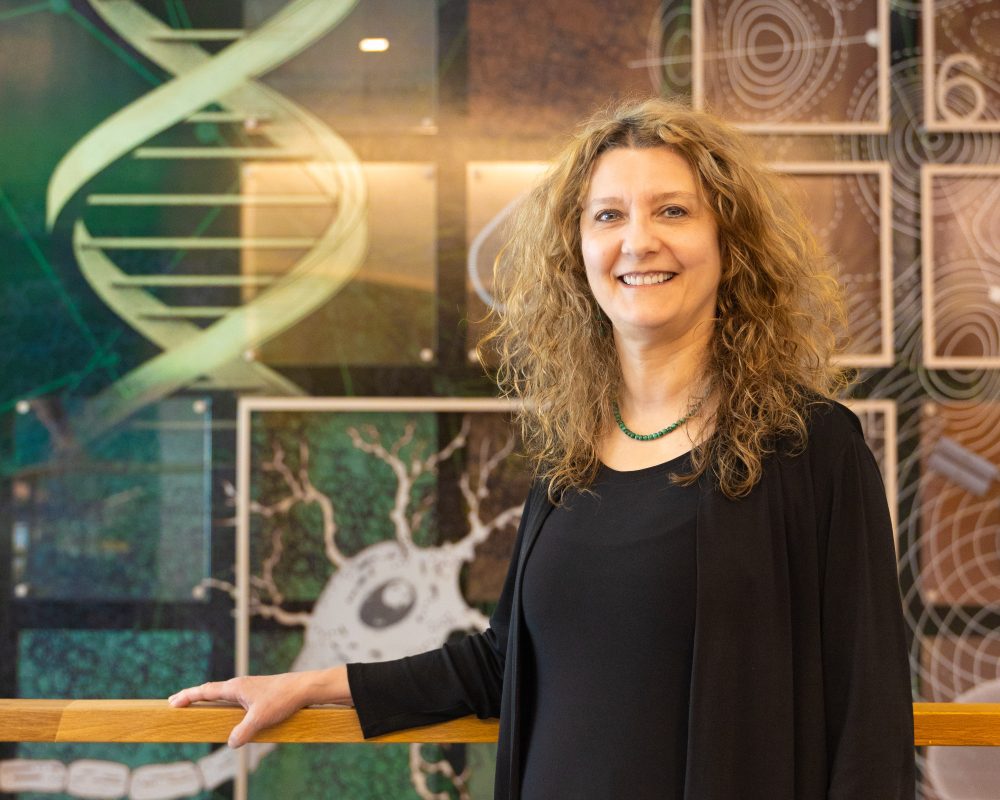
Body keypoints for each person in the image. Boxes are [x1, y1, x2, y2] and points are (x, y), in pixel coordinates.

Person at [169, 97, 915, 799]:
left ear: (730, 242)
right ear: (578, 251)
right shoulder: (571, 465)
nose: (638, 241)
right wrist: (309, 685)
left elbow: (868, 708)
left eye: (673, 211)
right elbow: (505, 663)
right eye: (608, 215)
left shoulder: (808, 445)